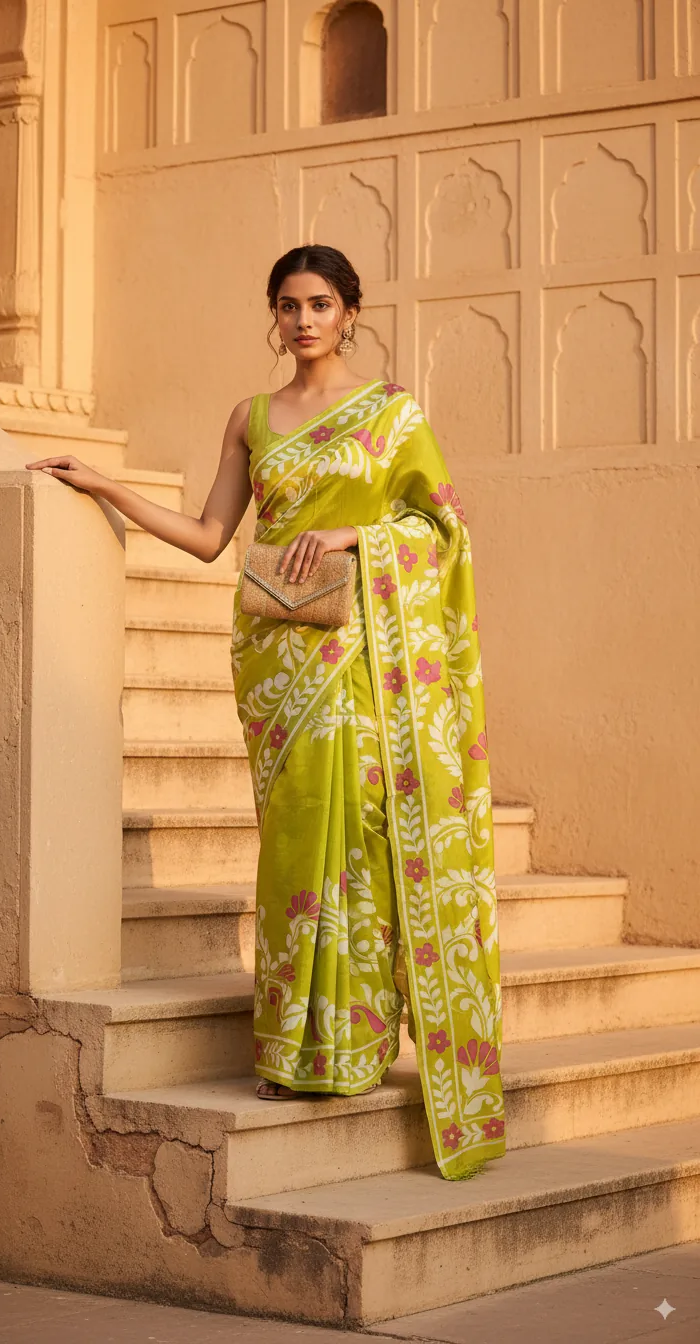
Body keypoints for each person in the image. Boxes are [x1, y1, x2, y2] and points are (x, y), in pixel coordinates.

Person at [25, 243, 506, 1182]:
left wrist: (360, 534)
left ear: (351, 312)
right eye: (287, 305)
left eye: (320, 303)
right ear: (274, 315)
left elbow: (446, 532)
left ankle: (354, 1046)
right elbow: (211, 536)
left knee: (356, 842)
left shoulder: (394, 417)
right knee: (292, 849)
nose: (303, 320)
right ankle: (290, 1051)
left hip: (360, 658)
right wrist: (109, 486)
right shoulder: (251, 416)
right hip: (274, 665)